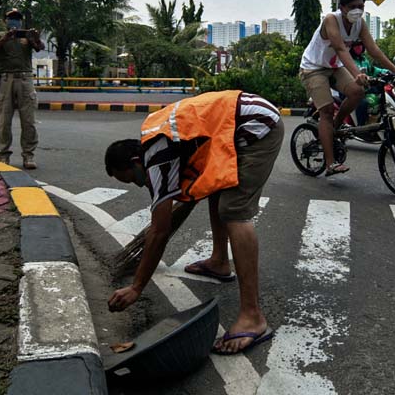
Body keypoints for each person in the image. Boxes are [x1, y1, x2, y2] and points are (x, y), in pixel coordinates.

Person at [104, 90, 284, 355]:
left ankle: (253, 317)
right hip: (244, 118)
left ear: (135, 162)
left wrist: (137, 287)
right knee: (215, 187)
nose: (140, 184)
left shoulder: (156, 158)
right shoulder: (156, 138)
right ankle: (220, 261)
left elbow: (159, 231)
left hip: (257, 127)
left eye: (132, 179)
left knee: (233, 210)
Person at [299, 0, 395, 176]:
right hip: (313, 68)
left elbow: (374, 50)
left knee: (357, 92)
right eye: (353, 7)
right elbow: (341, 49)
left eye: (361, 6)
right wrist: (358, 73)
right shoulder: (330, 20)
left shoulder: (360, 24)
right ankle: (330, 164)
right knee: (326, 111)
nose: (357, 10)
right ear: (342, 7)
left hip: (333, 67)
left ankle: (335, 127)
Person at [0, 8, 45, 169]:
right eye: (11, 18)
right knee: (4, 122)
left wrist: (35, 38)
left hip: (25, 78)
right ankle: (3, 156)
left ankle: (28, 155)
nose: (14, 21)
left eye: (17, 18)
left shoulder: (26, 35)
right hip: (5, 79)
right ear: (5, 20)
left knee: (29, 121)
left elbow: (39, 47)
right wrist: (6, 38)